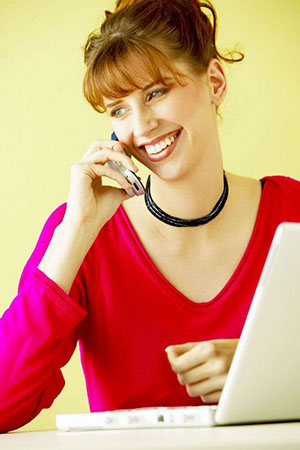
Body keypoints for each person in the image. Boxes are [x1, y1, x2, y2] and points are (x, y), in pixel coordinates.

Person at [0, 0, 299, 434]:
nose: (141, 126)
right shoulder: (80, 233)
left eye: (156, 92)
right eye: (118, 109)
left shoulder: (291, 211)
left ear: (214, 82)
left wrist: (270, 365)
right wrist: (78, 230)